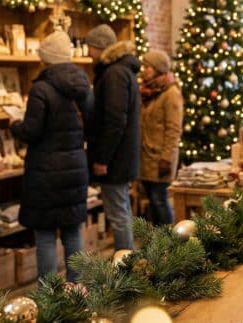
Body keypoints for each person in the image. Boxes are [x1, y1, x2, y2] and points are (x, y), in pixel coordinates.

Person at [11, 30, 92, 282]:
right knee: (73, 232)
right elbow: (92, 125)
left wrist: (14, 125)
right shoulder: (83, 86)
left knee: (45, 236)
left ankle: (50, 295)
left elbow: (31, 132)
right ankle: (77, 289)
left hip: (45, 172)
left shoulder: (41, 89)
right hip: (76, 167)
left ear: (46, 58)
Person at [84, 24, 140, 251]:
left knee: (117, 212)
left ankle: (125, 261)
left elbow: (114, 121)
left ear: (100, 47)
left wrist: (102, 158)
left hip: (116, 158)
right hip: (122, 154)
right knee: (120, 209)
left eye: (90, 47)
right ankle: (126, 256)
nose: (88, 52)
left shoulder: (114, 74)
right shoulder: (121, 71)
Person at [138, 49, 183, 225]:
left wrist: (166, 159)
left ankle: (168, 237)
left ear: (158, 69)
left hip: (160, 159)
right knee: (153, 201)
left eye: (148, 67)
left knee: (159, 201)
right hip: (146, 157)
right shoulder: (148, 92)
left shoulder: (171, 94)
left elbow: (173, 130)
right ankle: (158, 237)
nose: (144, 70)